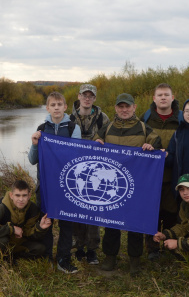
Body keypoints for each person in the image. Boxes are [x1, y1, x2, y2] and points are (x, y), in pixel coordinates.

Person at [93, 93, 162, 275]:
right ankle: (110, 257)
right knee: (111, 223)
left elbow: (157, 142)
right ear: (116, 108)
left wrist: (150, 146)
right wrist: (97, 142)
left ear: (134, 107)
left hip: (136, 185)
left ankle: (134, 260)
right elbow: (94, 143)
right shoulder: (107, 128)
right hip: (112, 185)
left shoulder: (143, 128)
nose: (124, 110)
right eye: (121, 106)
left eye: (127, 106)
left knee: (135, 224)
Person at [29, 92, 82, 274]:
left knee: (67, 224)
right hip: (45, 186)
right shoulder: (42, 128)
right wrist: (35, 143)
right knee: (46, 222)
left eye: (60, 104)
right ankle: (46, 258)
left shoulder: (73, 127)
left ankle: (63, 259)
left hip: (67, 186)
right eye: (53, 105)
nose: (57, 108)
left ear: (65, 107)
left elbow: (76, 155)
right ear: (48, 108)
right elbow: (32, 160)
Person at [69, 83, 109, 265]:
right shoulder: (68, 118)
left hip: (95, 171)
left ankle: (92, 249)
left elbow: (111, 143)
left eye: (90, 96)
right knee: (76, 210)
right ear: (78, 97)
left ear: (94, 98)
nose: (87, 98)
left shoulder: (103, 119)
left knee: (93, 210)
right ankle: (79, 247)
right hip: (76, 170)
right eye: (84, 95)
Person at [141, 83, 181, 260]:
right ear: (154, 99)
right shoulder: (146, 119)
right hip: (151, 178)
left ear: (172, 98)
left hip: (174, 175)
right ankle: (153, 248)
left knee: (173, 213)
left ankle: (171, 246)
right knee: (152, 214)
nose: (163, 97)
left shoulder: (182, 119)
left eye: (166, 95)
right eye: (160, 95)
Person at [0, 179, 53, 262]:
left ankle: (11, 258)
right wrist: (12, 229)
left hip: (16, 242)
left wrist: (40, 228)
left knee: (40, 248)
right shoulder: (2, 208)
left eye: (24, 195)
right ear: (11, 195)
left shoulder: (32, 209)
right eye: (17, 195)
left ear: (29, 195)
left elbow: (28, 233)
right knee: (2, 241)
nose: (21, 199)